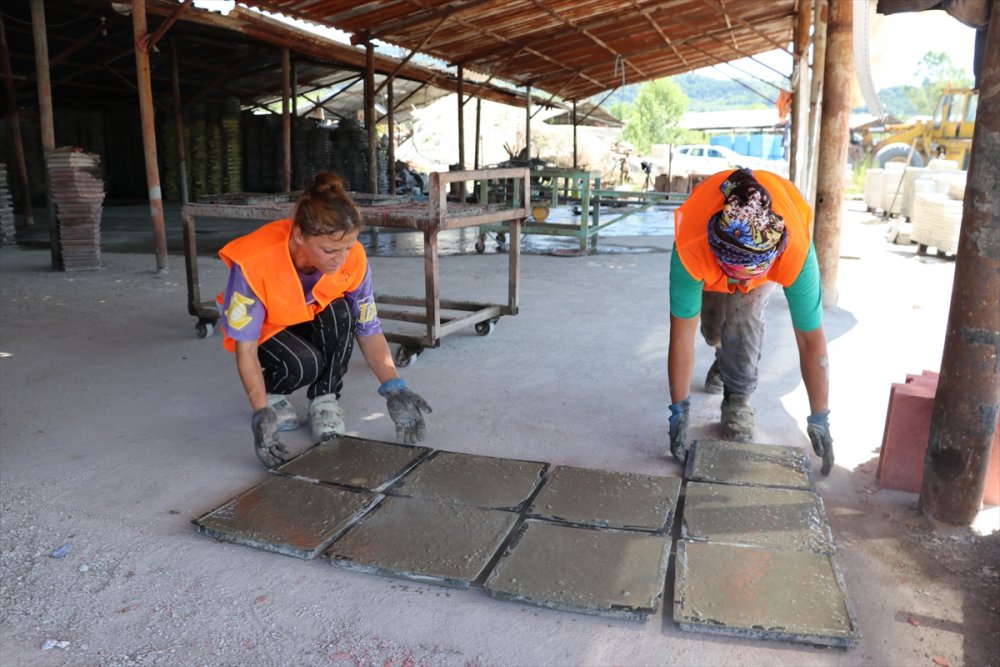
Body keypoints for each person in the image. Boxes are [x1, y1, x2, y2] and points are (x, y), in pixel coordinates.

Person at [216, 172, 432, 468]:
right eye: (330, 250)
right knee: (305, 363)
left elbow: (369, 329)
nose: (341, 259)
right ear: (299, 236)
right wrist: (260, 410)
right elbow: (246, 348)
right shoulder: (255, 261)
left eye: (347, 247)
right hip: (266, 329)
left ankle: (324, 400)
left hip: (306, 314)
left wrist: (393, 386)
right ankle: (273, 391)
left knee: (342, 312)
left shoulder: (352, 257)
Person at [667, 167, 834, 476]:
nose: (739, 285)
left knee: (744, 314)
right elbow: (680, 335)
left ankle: (737, 398)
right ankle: (723, 353)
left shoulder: (795, 253)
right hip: (711, 266)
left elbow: (811, 339)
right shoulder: (692, 247)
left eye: (747, 277)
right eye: (736, 276)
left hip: (761, 262)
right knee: (712, 328)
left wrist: (820, 416)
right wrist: (679, 411)